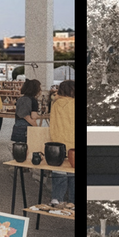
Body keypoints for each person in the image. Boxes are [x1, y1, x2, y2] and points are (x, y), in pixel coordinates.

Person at [45, 80, 76, 208]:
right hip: (72, 142)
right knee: (73, 174)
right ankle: (73, 201)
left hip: (57, 142)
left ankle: (56, 199)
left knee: (58, 172)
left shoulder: (56, 103)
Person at [11, 79, 42, 163]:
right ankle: (28, 166)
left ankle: (19, 167)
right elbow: (30, 116)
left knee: (19, 150)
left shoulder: (21, 99)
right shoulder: (33, 100)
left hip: (17, 127)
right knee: (31, 148)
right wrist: (36, 127)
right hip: (27, 128)